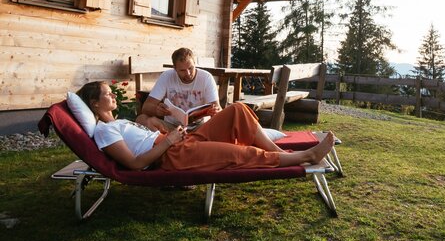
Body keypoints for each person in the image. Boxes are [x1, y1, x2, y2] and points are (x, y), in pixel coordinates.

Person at [77, 81, 336, 172]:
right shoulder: (104, 130)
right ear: (94, 103)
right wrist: (168, 141)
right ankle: (308, 156)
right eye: (108, 94)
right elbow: (134, 165)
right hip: (173, 155)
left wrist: (170, 132)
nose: (113, 97)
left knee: (238, 109)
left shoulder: (119, 122)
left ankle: (281, 153)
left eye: (112, 93)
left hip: (178, 141)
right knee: (239, 155)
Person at [140, 47, 221, 127]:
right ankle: (172, 139)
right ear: (175, 68)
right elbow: (146, 107)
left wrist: (215, 111)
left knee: (223, 123)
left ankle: (178, 139)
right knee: (141, 119)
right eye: (182, 70)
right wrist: (156, 110)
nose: (188, 73)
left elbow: (218, 109)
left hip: (199, 128)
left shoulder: (206, 78)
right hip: (172, 127)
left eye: (190, 68)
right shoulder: (166, 76)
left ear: (195, 63)